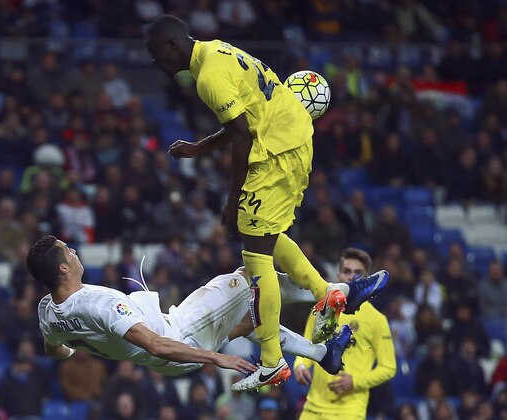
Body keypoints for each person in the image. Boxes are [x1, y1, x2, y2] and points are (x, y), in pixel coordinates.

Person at [144, 14, 389, 390]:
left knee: (255, 256)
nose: (155, 64)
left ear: (173, 45)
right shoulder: (216, 50)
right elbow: (242, 120)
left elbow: (242, 135)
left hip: (275, 150)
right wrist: (200, 148)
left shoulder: (208, 77)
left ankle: (272, 361)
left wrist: (233, 197)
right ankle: (331, 294)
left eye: (156, 54)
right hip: (291, 138)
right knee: (263, 238)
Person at [29, 235, 352, 382]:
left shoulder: (48, 312)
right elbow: (155, 343)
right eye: (66, 251)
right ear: (62, 269)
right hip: (181, 338)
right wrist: (217, 358)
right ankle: (333, 293)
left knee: (252, 319)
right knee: (251, 273)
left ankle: (322, 354)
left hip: (169, 349)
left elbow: (56, 351)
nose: (73, 251)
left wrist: (92, 343)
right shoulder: (99, 305)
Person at [294, 248, 396, 419]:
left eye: (358, 273)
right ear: (338, 275)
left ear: (367, 279)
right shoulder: (322, 308)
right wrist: (300, 366)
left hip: (349, 411)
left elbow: (389, 367)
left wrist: (356, 381)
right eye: (347, 271)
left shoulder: (377, 320)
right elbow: (306, 346)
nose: (351, 277)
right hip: (313, 408)